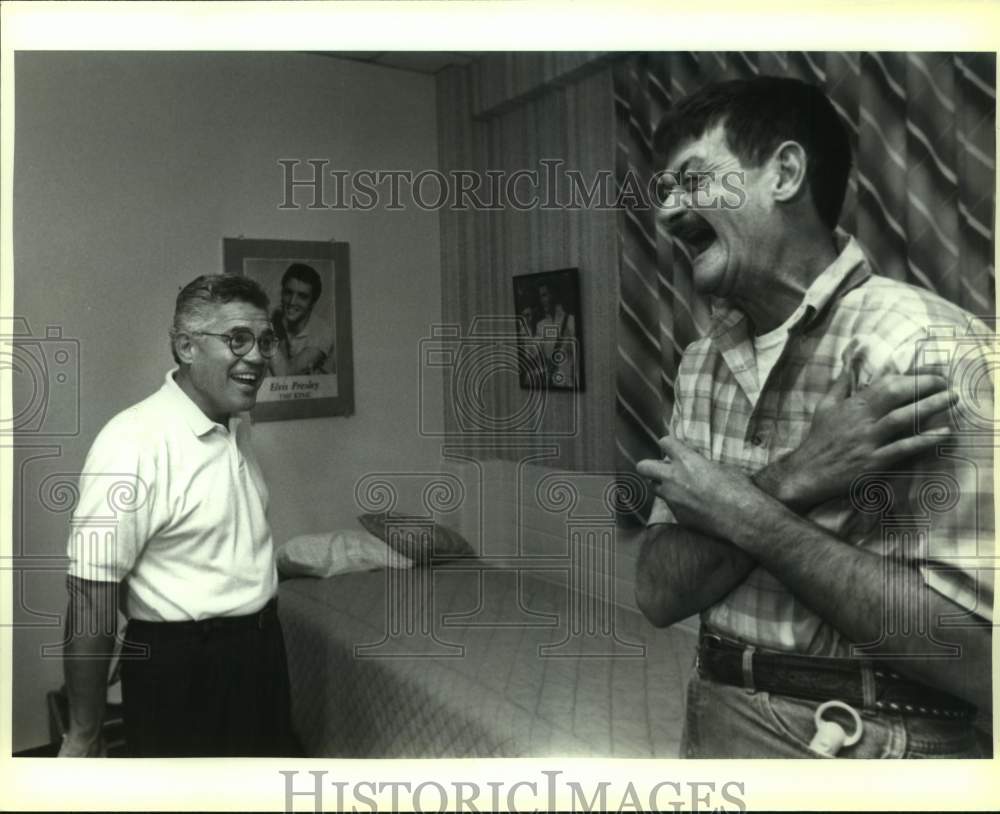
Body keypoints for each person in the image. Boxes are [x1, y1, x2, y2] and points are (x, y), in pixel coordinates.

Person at [634, 76, 994, 758]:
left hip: (867, 746)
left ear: (786, 173)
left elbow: (981, 661)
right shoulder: (700, 364)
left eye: (691, 181)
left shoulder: (930, 346)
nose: (665, 214)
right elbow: (657, 593)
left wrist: (746, 515)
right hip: (711, 717)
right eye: (663, 193)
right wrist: (795, 476)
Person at [59, 274, 298, 757]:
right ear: (186, 347)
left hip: (259, 655)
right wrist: (85, 733)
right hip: (187, 676)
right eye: (237, 339)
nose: (257, 356)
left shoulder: (236, 426)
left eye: (265, 340)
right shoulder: (132, 441)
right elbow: (91, 590)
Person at [269, 262, 335, 376]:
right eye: (288, 293)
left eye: (302, 296)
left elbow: (285, 376)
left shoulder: (323, 333)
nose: (292, 302)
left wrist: (265, 335)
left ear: (312, 303)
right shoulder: (275, 315)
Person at [519, 281, 578, 388]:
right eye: (541, 297)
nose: (542, 300)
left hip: (568, 385)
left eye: (544, 295)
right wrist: (526, 329)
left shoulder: (571, 321)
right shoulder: (541, 325)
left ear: (554, 294)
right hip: (551, 385)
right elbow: (532, 354)